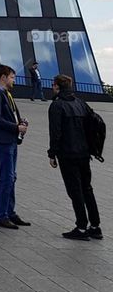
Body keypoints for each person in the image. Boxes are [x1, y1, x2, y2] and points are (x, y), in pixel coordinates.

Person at [48, 74, 102, 240]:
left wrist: (52, 154)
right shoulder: (80, 103)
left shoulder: (57, 105)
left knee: (75, 190)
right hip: (84, 153)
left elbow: (55, 132)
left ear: (56, 85)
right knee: (87, 188)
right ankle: (95, 226)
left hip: (68, 154)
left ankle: (81, 227)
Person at [0, 64, 31, 230]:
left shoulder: (7, 94)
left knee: (12, 176)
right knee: (7, 177)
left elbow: (11, 116)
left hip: (11, 140)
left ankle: (10, 212)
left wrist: (21, 123)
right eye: (12, 77)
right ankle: (2, 216)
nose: (14, 80)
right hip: (3, 141)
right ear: (3, 78)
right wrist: (16, 128)